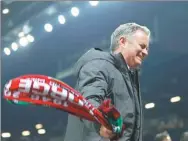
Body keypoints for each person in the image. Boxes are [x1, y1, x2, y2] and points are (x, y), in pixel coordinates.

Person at [64, 23, 150, 141]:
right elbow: (88, 101)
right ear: (123, 41)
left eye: (147, 48)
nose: (146, 52)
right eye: (142, 46)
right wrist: (99, 124)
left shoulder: (129, 76)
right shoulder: (99, 65)